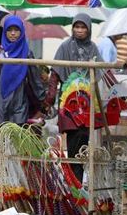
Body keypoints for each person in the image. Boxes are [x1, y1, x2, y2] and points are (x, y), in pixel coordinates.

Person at [43, 13, 103, 183]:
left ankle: (77, 182)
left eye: (83, 27)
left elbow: (101, 73)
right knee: (72, 140)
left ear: (89, 29)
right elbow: (55, 73)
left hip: (87, 101)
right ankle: (73, 183)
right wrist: (50, 98)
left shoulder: (93, 49)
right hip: (69, 102)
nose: (79, 30)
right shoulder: (65, 47)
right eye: (77, 27)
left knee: (84, 140)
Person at [0, 15, 46, 130]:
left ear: (21, 32)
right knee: (0, 140)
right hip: (0, 102)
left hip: (19, 102)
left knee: (17, 140)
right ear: (5, 31)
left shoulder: (27, 53)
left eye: (16, 30)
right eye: (9, 30)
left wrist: (44, 102)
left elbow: (34, 79)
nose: (13, 33)